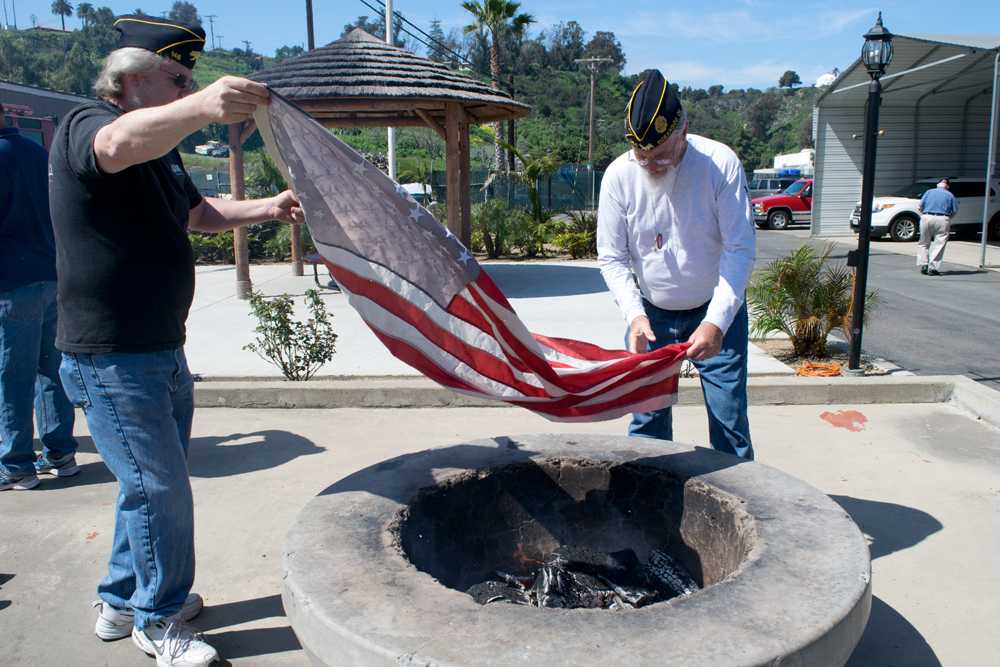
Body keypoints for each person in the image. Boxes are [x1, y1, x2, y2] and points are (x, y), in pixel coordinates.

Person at [47, 16, 303, 667]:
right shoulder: (89, 126)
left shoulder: (161, 150)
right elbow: (115, 142)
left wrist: (268, 208)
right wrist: (201, 105)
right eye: (177, 77)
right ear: (130, 79)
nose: (186, 88)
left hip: (157, 346)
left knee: (147, 484)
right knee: (159, 488)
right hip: (110, 356)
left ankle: (120, 599)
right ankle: (158, 619)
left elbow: (198, 214)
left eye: (190, 81)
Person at [597, 70, 755, 460]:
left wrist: (716, 322)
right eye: (642, 156)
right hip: (651, 315)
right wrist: (634, 316)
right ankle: (650, 511)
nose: (650, 165)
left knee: (728, 420)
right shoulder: (619, 176)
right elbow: (613, 258)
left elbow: (740, 249)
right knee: (646, 422)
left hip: (715, 310)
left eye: (661, 155)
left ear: (684, 129)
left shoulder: (720, 164)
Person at [0, 101, 80, 492]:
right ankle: (61, 453)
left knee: (11, 375)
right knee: (51, 369)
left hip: (11, 284)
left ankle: (16, 464)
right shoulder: (36, 152)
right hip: (51, 276)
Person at [917, 178, 957, 276]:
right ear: (947, 186)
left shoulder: (929, 192)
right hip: (943, 218)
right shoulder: (950, 195)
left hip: (927, 216)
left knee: (924, 242)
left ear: (937, 184)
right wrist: (948, 219)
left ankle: (924, 264)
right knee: (939, 243)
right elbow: (954, 210)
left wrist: (925, 214)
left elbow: (920, 206)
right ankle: (932, 267)